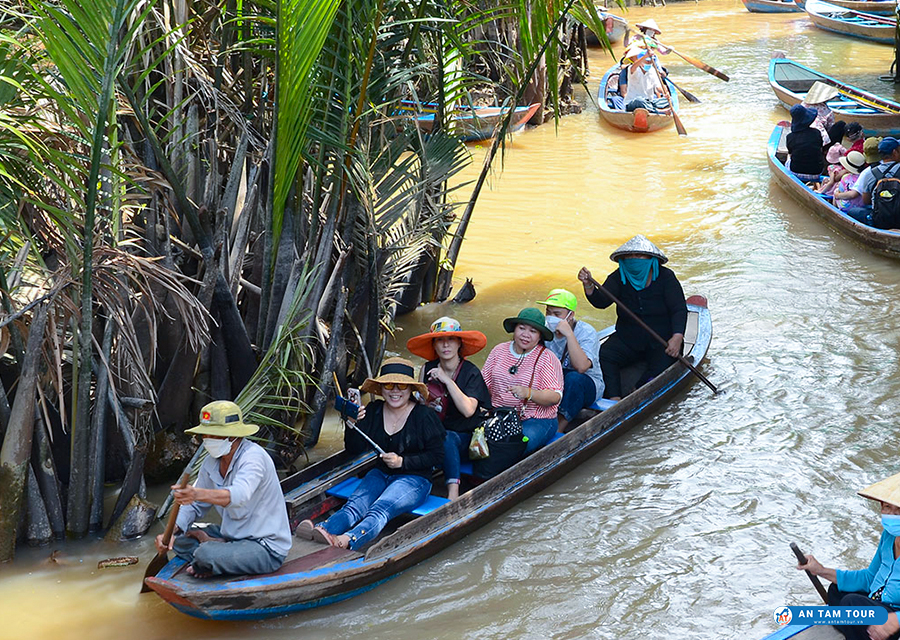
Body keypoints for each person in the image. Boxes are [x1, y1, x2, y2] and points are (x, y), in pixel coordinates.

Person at [298, 358, 444, 550]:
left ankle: (347, 540)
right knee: (355, 505)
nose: (395, 390)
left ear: (410, 389)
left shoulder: (424, 416)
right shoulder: (374, 411)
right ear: (381, 388)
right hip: (380, 473)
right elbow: (354, 449)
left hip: (415, 479)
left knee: (380, 508)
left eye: (401, 385)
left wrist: (402, 462)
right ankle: (323, 528)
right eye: (389, 385)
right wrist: (352, 424)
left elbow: (438, 457)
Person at [159, 401, 292, 578]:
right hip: (232, 537)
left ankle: (211, 559)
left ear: (231, 436)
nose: (206, 440)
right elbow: (194, 506)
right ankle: (216, 556)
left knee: (204, 554)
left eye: (212, 435)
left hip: (265, 547)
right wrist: (171, 532)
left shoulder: (253, 457)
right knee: (179, 542)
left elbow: (239, 495)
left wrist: (196, 493)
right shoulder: (210, 463)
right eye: (204, 436)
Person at [579, 235, 687, 401]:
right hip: (628, 338)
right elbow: (602, 302)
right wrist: (588, 286)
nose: (634, 260)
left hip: (662, 339)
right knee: (605, 355)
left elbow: (679, 309)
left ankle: (636, 391)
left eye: (639, 256)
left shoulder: (666, 277)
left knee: (658, 371)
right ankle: (613, 398)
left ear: (651, 259)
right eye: (629, 257)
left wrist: (677, 336)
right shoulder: (618, 277)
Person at [796, 471, 900, 640]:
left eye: (899, 510)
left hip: (894, 618)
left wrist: (895, 620)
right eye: (887, 507)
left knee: (851, 603)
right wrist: (821, 570)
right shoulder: (888, 536)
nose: (892, 515)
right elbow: (869, 578)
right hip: (876, 604)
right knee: (837, 590)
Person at [407, 317, 491, 500]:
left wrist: (446, 380)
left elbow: (468, 410)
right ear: (434, 345)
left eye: (451, 339)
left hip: (463, 438)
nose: (446, 345)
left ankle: (453, 493)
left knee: (447, 438)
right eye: (440, 340)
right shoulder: (427, 368)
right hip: (433, 433)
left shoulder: (471, 372)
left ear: (459, 343)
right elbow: (418, 404)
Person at [481, 308, 563, 456]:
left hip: (536, 419)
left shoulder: (547, 358)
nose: (526, 335)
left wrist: (528, 393)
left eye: (533, 331)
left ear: (539, 336)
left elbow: (555, 397)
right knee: (477, 438)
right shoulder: (499, 350)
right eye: (522, 328)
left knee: (515, 444)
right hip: (499, 415)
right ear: (515, 330)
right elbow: (483, 384)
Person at [536, 289, 605, 432]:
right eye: (548, 312)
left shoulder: (586, 332)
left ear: (570, 315)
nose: (551, 317)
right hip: (556, 380)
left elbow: (582, 367)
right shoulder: (544, 330)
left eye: (557, 314)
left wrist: (568, 334)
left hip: (586, 382)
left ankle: (559, 427)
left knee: (574, 379)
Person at [844, 137, 900, 227]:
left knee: (852, 212)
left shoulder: (869, 173)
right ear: (894, 152)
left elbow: (866, 201)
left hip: (880, 220)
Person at [621, 44, 671, 116]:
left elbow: (658, 87)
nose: (649, 63)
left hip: (649, 102)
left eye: (650, 61)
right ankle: (658, 111)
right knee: (639, 101)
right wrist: (645, 56)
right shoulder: (632, 69)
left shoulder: (653, 70)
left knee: (669, 100)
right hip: (633, 102)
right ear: (641, 60)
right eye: (647, 61)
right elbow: (634, 67)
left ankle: (652, 109)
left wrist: (665, 93)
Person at [786, 104, 825, 182]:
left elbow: (790, 153)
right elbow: (820, 148)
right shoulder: (816, 133)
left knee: (788, 157)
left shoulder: (790, 137)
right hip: (817, 172)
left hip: (796, 172)